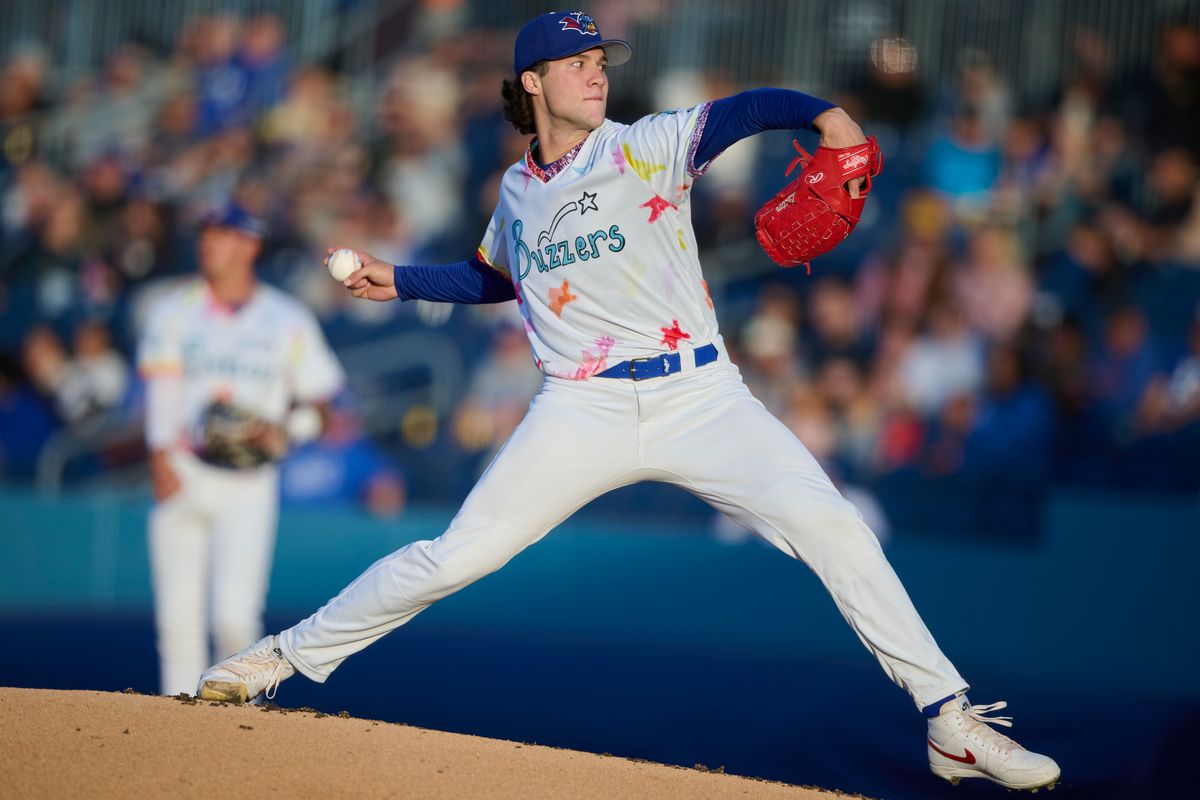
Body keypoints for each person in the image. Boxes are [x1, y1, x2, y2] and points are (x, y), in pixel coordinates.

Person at [197, 12, 1059, 792]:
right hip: (582, 409)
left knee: (835, 528)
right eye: (574, 62)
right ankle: (278, 659)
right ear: (532, 82)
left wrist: (825, 114)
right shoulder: (514, 191)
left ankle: (949, 719)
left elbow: (749, 108)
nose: (595, 72)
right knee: (453, 558)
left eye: (599, 58)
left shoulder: (647, 143)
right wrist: (402, 279)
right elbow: (496, 276)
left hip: (703, 394)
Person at [139, 203, 344, 696]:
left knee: (236, 621)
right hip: (185, 466)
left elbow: (325, 406)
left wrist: (287, 431)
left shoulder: (286, 319)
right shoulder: (172, 310)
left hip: (249, 482)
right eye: (206, 234)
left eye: (223, 234)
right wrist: (159, 456)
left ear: (250, 244)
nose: (209, 243)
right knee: (177, 623)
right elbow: (161, 393)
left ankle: (235, 738)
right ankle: (175, 730)